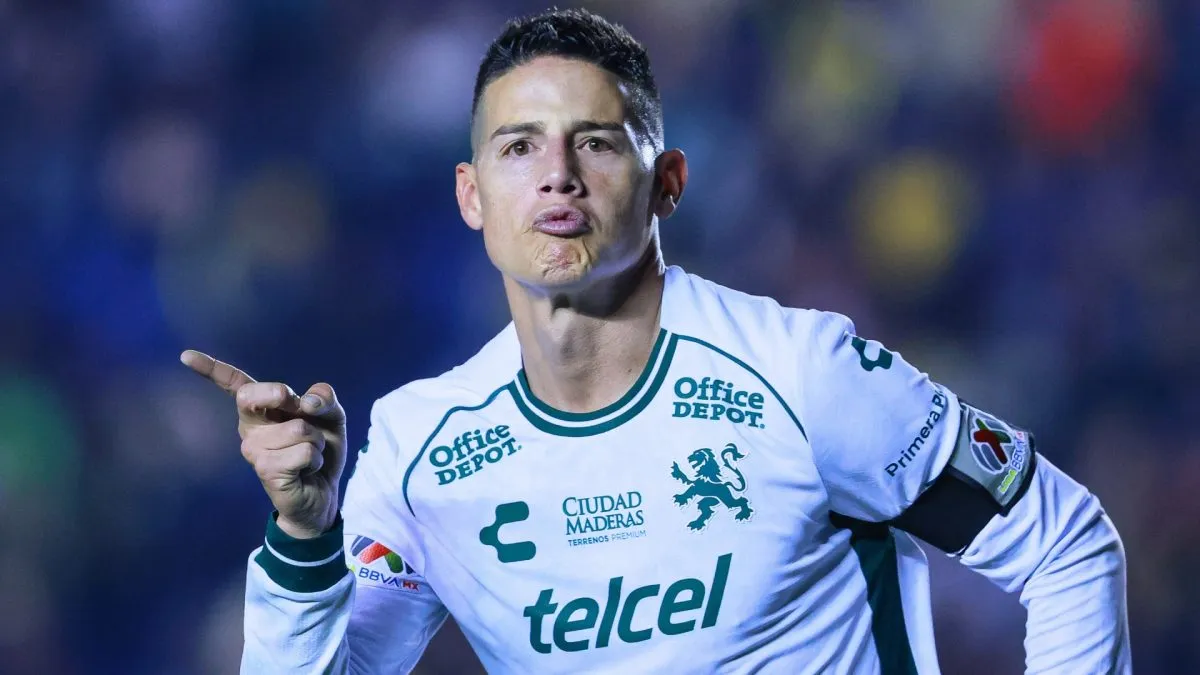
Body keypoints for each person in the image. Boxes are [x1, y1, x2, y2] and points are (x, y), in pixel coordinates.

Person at [182, 8, 1130, 674]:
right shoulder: (421, 448)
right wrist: (306, 535)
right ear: (472, 196)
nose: (557, 176)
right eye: (519, 147)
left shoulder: (800, 375)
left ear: (668, 181)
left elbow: (1068, 546)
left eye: (596, 141)